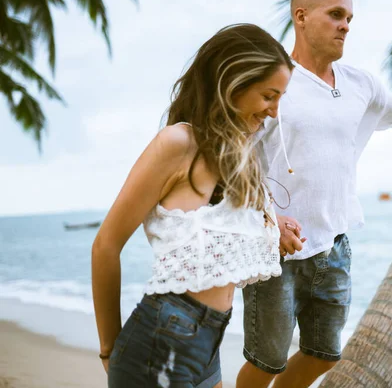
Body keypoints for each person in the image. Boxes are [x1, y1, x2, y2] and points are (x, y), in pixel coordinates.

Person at [236, 0, 392, 388]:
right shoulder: (275, 81)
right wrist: (268, 219)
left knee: (322, 354)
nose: (345, 25)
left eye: (349, 17)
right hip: (275, 246)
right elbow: (237, 158)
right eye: (335, 15)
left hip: (334, 244)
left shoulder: (360, 83)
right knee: (267, 361)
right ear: (302, 16)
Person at [91, 23, 293, 388]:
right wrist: (109, 347)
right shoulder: (177, 143)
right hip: (160, 344)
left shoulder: (239, 159)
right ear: (233, 82)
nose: (274, 111)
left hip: (208, 347)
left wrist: (274, 228)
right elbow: (106, 244)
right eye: (269, 95)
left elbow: (221, 238)